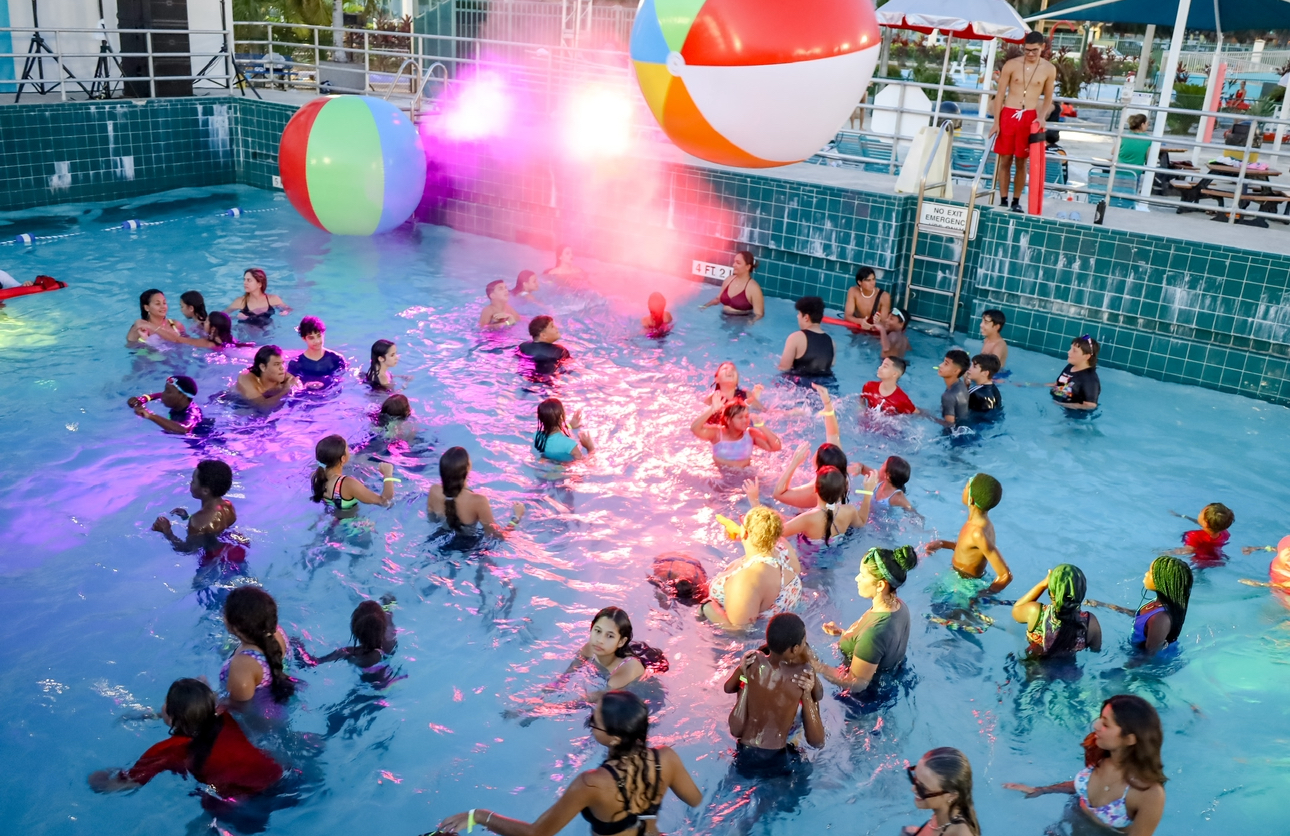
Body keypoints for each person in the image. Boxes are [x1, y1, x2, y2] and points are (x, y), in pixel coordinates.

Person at [435, 690, 702, 836]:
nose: (589, 721)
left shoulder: (592, 783)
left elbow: (537, 835)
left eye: (593, 721)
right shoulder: (665, 758)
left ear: (615, 738)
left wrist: (479, 815)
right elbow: (694, 799)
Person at [87, 678, 282, 799]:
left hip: (247, 797)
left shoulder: (167, 751)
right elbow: (204, 688)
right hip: (277, 773)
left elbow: (124, 784)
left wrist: (98, 780)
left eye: (165, 703)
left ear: (172, 716)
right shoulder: (223, 714)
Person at [1004, 695, 1167, 836]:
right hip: (1063, 829)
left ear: (1130, 739)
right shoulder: (1099, 754)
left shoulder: (1149, 794)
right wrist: (1040, 790)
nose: (1096, 726)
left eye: (1106, 724)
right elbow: (1082, 787)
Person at [722, 613, 825, 774]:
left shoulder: (752, 662)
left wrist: (741, 671)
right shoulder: (803, 674)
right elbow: (817, 740)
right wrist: (807, 688)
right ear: (795, 649)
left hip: (745, 751)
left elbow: (728, 688)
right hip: (775, 755)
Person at [815, 546, 917, 694]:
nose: (857, 578)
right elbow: (879, 647)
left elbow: (857, 683)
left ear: (881, 585)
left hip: (865, 701)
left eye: (863, 575)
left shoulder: (874, 633)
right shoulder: (899, 607)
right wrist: (845, 634)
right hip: (889, 680)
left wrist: (816, 666)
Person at [701, 507, 801, 630]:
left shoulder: (748, 579)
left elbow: (739, 631)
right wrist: (743, 535)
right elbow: (796, 569)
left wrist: (706, 607)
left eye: (742, 522)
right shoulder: (783, 548)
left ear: (746, 533)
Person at [989, 31, 1056, 212]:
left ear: (1043, 47)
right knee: (1005, 160)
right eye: (1027, 50)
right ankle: (1003, 199)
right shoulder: (1012, 65)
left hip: (1028, 116)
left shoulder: (1049, 69)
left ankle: (1016, 200)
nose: (1030, 54)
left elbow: (1049, 96)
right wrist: (996, 121)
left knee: (1021, 161)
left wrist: (1041, 117)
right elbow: (1000, 94)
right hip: (1009, 113)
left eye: (1034, 50)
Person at [922, 473, 1013, 599]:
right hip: (960, 578)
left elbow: (1005, 575)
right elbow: (967, 549)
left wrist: (982, 595)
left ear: (971, 500)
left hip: (964, 587)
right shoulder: (980, 524)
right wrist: (942, 544)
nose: (962, 490)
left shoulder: (978, 533)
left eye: (965, 488)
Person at [222, 586, 294, 711]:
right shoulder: (275, 632)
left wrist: (209, 695)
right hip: (281, 696)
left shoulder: (242, 665)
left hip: (263, 717)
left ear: (235, 627)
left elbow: (240, 708)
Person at [569, 607, 667, 697]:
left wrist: (557, 707)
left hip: (644, 693)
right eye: (598, 631)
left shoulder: (623, 673)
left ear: (621, 642)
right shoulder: (590, 647)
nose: (600, 640)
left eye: (610, 636)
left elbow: (597, 698)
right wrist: (555, 686)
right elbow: (569, 671)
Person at [427, 446, 524, 537]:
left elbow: (431, 518)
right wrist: (516, 517)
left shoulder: (434, 490)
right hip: (467, 549)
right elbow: (496, 535)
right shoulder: (478, 501)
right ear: (468, 467)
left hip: (439, 537)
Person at [1011, 565, 1102, 657]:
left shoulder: (1035, 612)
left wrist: (1043, 584)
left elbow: (1016, 609)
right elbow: (1096, 650)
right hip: (1071, 670)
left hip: (1034, 668)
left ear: (1052, 592)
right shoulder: (1091, 623)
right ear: (1082, 591)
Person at [151, 460, 237, 552]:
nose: (190, 483)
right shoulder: (228, 505)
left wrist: (167, 532)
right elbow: (214, 528)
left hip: (216, 557)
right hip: (236, 547)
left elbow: (188, 549)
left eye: (193, 481)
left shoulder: (196, 521)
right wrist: (186, 517)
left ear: (205, 491)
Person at [901, 748, 981, 836]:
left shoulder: (961, 833)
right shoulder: (947, 815)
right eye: (914, 778)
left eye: (923, 788)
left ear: (951, 795)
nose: (913, 788)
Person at [311, 434, 397, 512]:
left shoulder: (315, 476)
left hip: (333, 517)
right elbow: (384, 501)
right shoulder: (348, 484)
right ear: (343, 459)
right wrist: (388, 474)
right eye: (348, 449)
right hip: (352, 526)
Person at [313, 598, 398, 670]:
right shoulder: (390, 640)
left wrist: (299, 646)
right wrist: (389, 602)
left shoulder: (353, 653)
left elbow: (314, 662)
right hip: (392, 680)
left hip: (375, 688)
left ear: (354, 631)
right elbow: (389, 608)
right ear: (384, 626)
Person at [690, 402, 781, 468]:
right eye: (740, 417)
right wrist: (712, 409)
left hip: (746, 478)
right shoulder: (717, 434)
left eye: (746, 416)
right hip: (721, 480)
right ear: (728, 420)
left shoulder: (751, 434)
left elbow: (776, 447)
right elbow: (695, 429)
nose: (745, 420)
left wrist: (762, 426)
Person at [128, 375, 205, 434]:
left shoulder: (192, 412)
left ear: (182, 396)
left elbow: (184, 430)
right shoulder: (176, 399)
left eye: (168, 391)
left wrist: (150, 415)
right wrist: (140, 400)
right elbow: (152, 396)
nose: (163, 395)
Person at [778, 296, 834, 376]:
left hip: (800, 385)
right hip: (826, 385)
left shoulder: (795, 337)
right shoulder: (832, 342)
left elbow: (784, 368)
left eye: (799, 314)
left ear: (806, 318)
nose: (797, 317)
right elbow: (830, 366)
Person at [700, 250, 764, 318]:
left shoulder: (753, 288)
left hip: (741, 322)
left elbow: (759, 314)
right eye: (734, 262)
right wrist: (705, 306)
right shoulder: (729, 280)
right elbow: (718, 299)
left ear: (747, 267)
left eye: (738, 263)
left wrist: (750, 323)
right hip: (723, 317)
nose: (734, 265)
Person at [853, 455, 919, 517]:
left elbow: (912, 512)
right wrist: (858, 468)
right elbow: (862, 467)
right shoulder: (880, 479)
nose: (880, 466)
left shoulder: (896, 497)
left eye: (883, 465)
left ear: (888, 475)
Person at [533, 397, 595, 462]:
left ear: (540, 419)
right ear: (562, 417)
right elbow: (585, 464)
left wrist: (569, 426)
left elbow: (553, 436)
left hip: (545, 463)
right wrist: (590, 448)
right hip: (562, 469)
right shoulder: (570, 445)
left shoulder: (537, 436)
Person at [287, 316, 346, 382]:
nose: (317, 341)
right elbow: (292, 387)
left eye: (319, 336)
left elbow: (341, 381)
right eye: (311, 338)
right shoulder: (295, 364)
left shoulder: (337, 359)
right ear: (304, 338)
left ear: (323, 334)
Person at [1049, 335, 1100, 410]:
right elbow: (1058, 384)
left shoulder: (1090, 380)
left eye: (1074, 350)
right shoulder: (1071, 366)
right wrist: (1033, 385)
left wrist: (1062, 405)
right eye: (1070, 348)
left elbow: (1090, 405)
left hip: (1074, 415)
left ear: (1086, 356)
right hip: (1059, 403)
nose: (1068, 352)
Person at [842, 266, 891, 332]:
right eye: (868, 280)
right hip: (857, 328)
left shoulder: (884, 297)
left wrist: (877, 322)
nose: (872, 283)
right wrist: (861, 321)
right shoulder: (853, 291)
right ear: (860, 282)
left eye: (873, 279)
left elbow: (885, 324)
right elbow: (847, 317)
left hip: (875, 332)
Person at [931, 349, 971, 427]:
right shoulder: (961, 385)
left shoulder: (948, 396)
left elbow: (950, 425)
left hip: (954, 436)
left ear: (956, 371)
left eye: (946, 364)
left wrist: (927, 416)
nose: (940, 365)